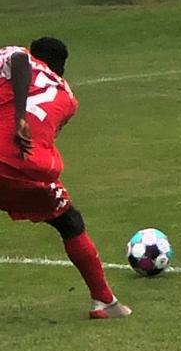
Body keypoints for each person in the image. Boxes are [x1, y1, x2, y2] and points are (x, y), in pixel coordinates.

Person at [0, 38, 131, 319]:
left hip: (11, 159)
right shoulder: (69, 97)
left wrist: (19, 115)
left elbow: (19, 60)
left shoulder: (17, 55)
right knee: (69, 221)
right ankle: (104, 301)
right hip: (27, 169)